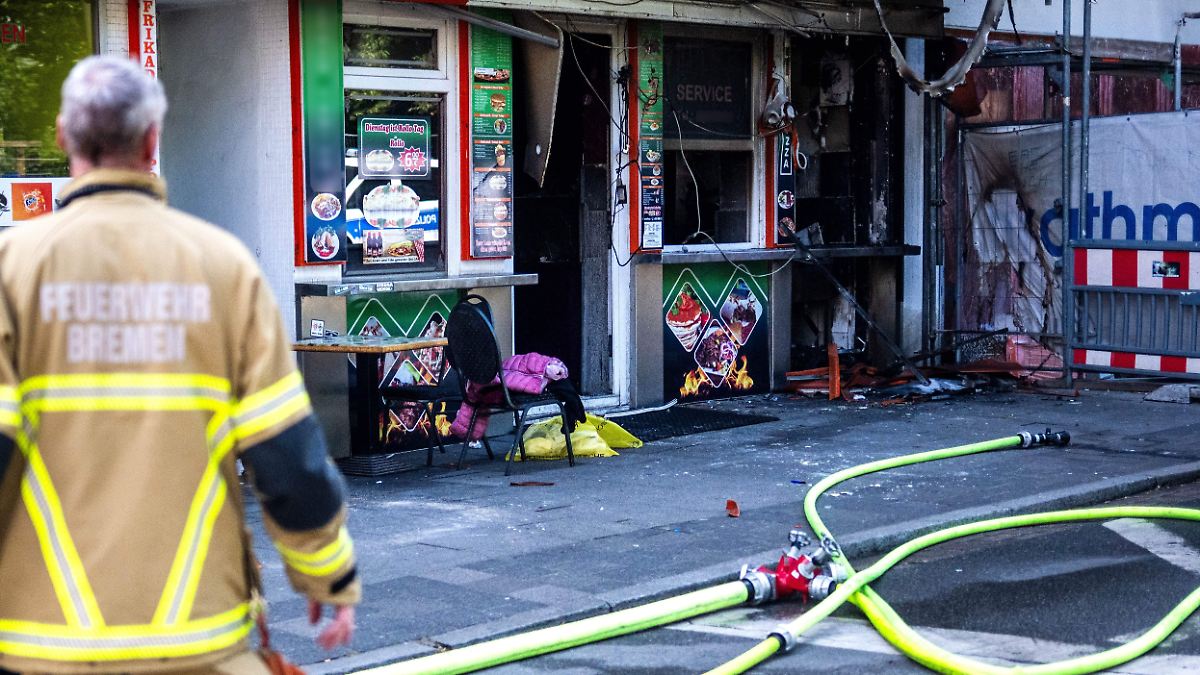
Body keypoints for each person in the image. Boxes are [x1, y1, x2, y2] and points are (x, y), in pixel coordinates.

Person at [0, 56, 359, 674]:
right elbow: (286, 454)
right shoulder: (225, 268)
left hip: (40, 641)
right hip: (197, 635)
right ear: (151, 140)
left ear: (62, 137)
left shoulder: (11, 269)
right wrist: (328, 576)